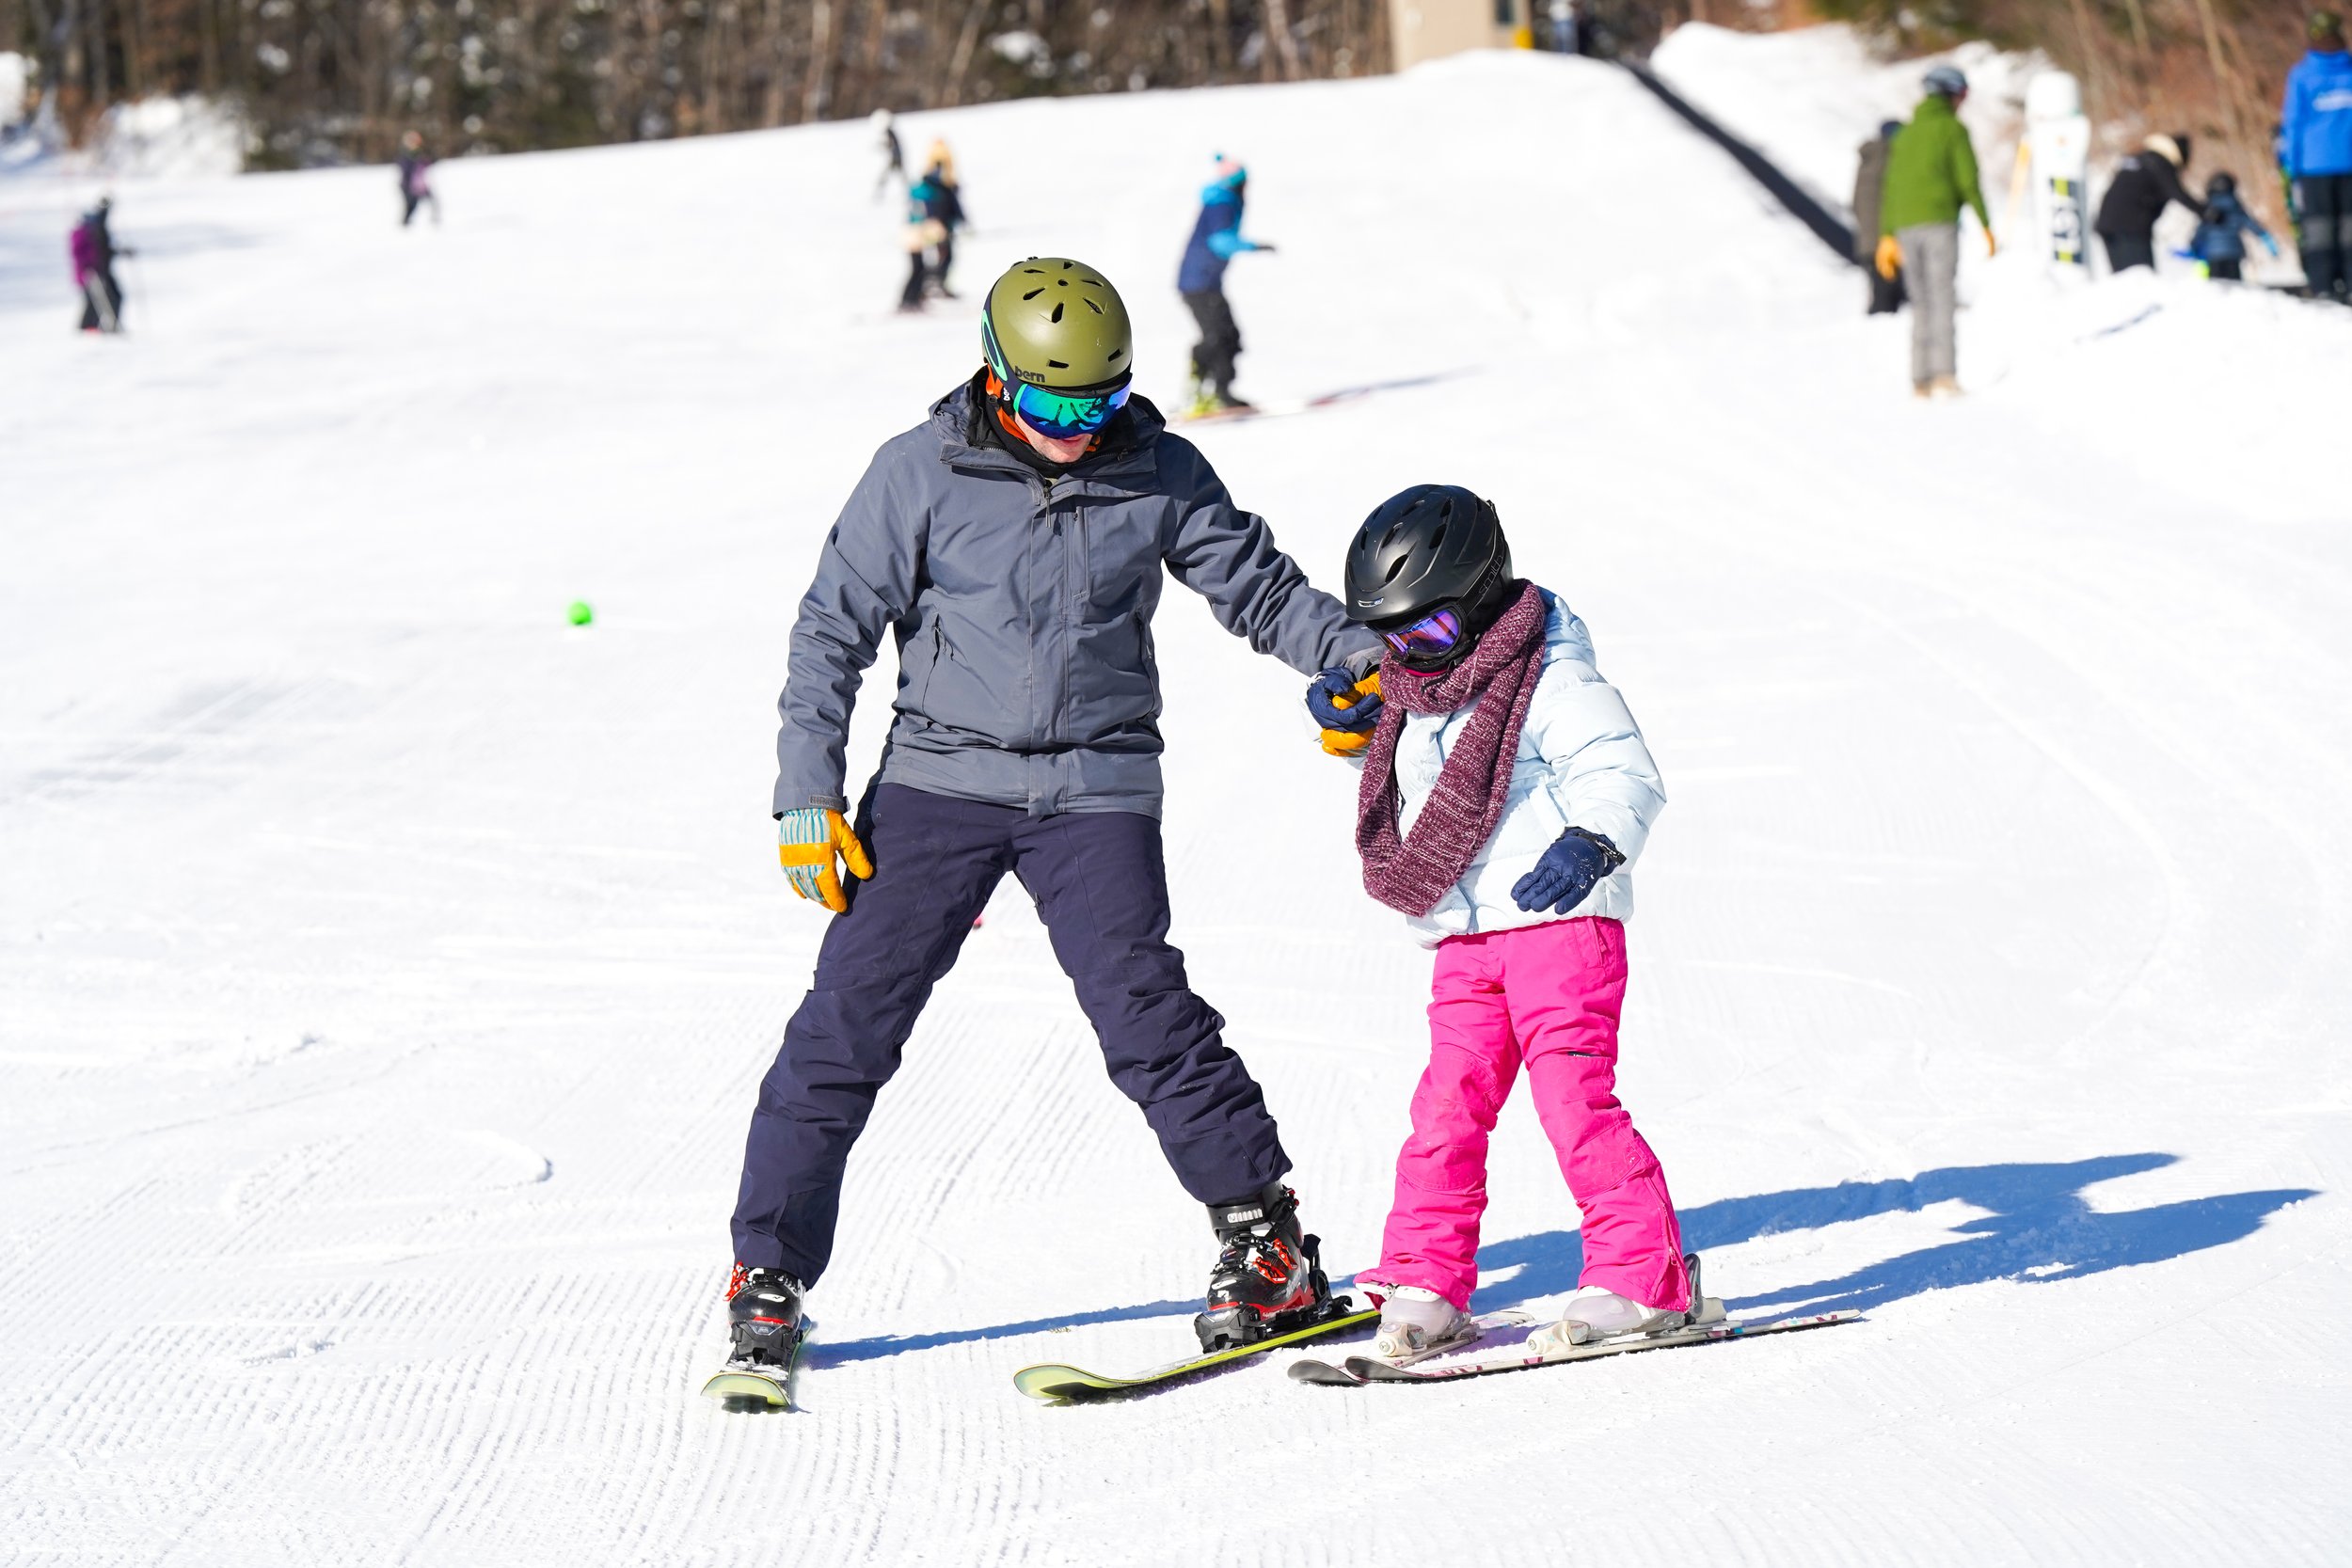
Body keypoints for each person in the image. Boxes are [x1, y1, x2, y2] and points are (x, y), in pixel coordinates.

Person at [719, 257, 1383, 1385]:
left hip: (1096, 782)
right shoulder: (917, 471)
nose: (1077, 432)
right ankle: (767, 1272)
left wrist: (1359, 657)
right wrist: (806, 791)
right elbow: (831, 629)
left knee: (1146, 1012)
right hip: (937, 782)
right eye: (1051, 407)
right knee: (847, 1023)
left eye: (1099, 405)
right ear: (995, 376)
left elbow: (1261, 591)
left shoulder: (1159, 468)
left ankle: (1265, 1246)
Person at [1302, 484, 1708, 1365]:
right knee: (1446, 1108)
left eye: (1431, 630)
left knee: (1573, 1103)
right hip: (1463, 934)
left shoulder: (1553, 673)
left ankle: (1643, 1277)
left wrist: (1594, 838)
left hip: (1560, 926)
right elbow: (1421, 772)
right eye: (1393, 636)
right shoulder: (1419, 686)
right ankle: (1426, 1281)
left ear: (1485, 592)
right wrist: (1353, 731)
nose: (1412, 651)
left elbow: (1619, 767)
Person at [1876, 65, 1994, 398]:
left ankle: (1920, 379)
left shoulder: (1906, 134)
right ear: (1952, 94)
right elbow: (1968, 180)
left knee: (1921, 301)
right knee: (1941, 297)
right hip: (1939, 224)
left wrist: (1887, 234)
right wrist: (1986, 224)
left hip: (1904, 228)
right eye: (1962, 95)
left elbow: (1891, 187)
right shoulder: (1952, 129)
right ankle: (1944, 375)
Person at [1177, 154, 1275, 416]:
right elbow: (1221, 241)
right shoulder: (1223, 202)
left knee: (1224, 335)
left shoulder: (1219, 199)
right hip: (1200, 282)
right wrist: (1255, 246)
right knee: (1220, 337)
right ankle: (1210, 394)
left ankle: (1211, 392)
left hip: (1201, 281)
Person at [2281, 9, 2352, 301]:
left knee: (2319, 226)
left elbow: (2293, 123)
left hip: (2313, 165)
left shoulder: (2302, 75)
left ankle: (2323, 285)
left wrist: (2290, 165)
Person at [2093, 133, 2198, 274]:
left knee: (2124, 277)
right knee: (2140, 277)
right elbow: (2178, 194)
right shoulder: (2160, 163)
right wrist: (2207, 212)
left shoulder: (2140, 158)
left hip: (2108, 224)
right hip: (2130, 228)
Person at [1852, 119, 1908, 315]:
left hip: (1868, 241)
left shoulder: (1868, 159)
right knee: (1889, 300)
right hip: (1887, 240)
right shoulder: (1890, 157)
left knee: (1879, 293)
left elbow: (1855, 203)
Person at [2191, 172, 2280, 281]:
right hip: (2234, 254)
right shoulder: (2236, 207)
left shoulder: (2208, 209)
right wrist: (2265, 237)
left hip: (2213, 255)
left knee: (2217, 286)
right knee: (2234, 285)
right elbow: (2250, 224)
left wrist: (2194, 247)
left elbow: (2201, 231)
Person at [70, 197, 130, 334]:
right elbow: (79, 252)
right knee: (97, 299)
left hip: (102, 270)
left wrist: (121, 252)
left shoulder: (99, 227)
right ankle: (86, 329)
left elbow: (104, 250)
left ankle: (109, 327)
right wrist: (89, 265)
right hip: (91, 272)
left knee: (112, 297)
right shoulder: (86, 229)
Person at [920, 140, 967, 299]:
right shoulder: (937, 177)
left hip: (944, 223)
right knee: (944, 255)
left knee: (945, 256)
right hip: (940, 224)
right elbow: (942, 201)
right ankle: (933, 285)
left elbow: (951, 200)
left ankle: (937, 285)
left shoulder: (938, 177)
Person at [897, 166, 946, 313]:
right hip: (917, 235)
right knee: (918, 269)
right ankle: (908, 300)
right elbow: (928, 217)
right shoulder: (929, 193)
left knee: (919, 268)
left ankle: (912, 299)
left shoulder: (916, 191)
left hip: (912, 234)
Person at [396, 132, 438, 228]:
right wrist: (409, 187)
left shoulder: (422, 152)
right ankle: (405, 224)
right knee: (411, 206)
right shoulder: (405, 156)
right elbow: (406, 171)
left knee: (432, 202)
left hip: (421, 184)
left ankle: (435, 222)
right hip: (408, 186)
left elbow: (433, 160)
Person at [871, 107, 904, 201]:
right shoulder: (891, 132)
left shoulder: (890, 133)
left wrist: (882, 145)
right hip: (896, 157)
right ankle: (879, 193)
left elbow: (891, 145)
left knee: (886, 176)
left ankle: (878, 194)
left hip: (895, 158)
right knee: (898, 177)